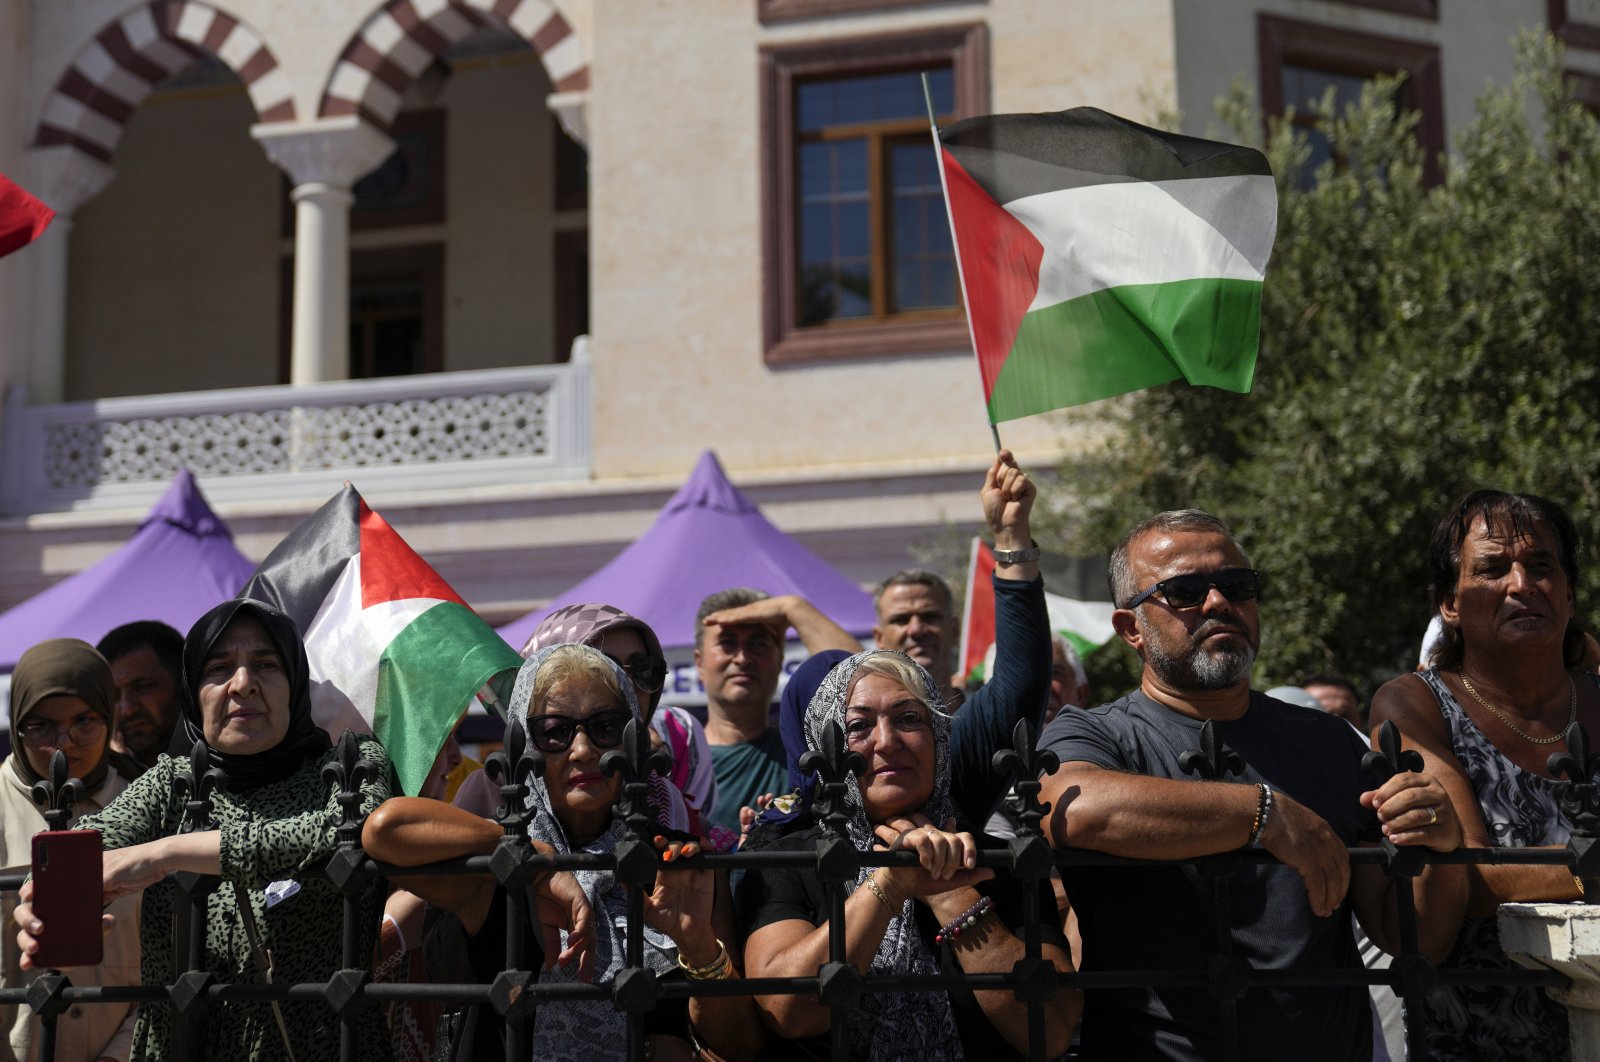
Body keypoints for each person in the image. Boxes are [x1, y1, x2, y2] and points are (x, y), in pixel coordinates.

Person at [1037, 509, 1465, 1061]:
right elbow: (1076, 808)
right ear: (1130, 630)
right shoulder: (1096, 732)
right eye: (1185, 591)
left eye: (1237, 585)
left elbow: (1412, 938)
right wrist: (1262, 813)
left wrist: (1437, 842)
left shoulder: (1329, 740)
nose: (1218, 603)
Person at [14, 599, 392, 1062]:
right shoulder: (171, 783)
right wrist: (39, 899)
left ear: (295, 682)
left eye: (266, 664)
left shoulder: (352, 767)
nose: (243, 684)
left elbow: (343, 835)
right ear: (193, 690)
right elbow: (91, 842)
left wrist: (167, 853)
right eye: (218, 668)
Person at [362, 644, 761, 1062]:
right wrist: (534, 860)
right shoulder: (501, 865)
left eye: (606, 726)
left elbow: (741, 1045)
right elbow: (385, 828)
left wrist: (699, 947)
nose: (584, 749)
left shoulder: (673, 862)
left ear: (631, 740)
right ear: (523, 747)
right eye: (555, 730)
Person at [740, 649, 1079, 1060]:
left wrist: (951, 897)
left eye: (909, 718)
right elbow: (788, 1012)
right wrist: (890, 881)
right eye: (859, 726)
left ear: (938, 737)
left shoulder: (1003, 858)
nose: (887, 741)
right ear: (823, 746)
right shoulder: (788, 858)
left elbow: (1051, 1031)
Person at [1370, 489, 1600, 1061]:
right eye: (1493, 569)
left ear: (1568, 593)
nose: (1522, 585)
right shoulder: (1414, 707)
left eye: (1541, 566)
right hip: (1484, 1036)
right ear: (1450, 602)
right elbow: (1464, 873)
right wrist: (1588, 867)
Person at [874, 449, 1052, 826]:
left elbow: (1021, 681)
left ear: (954, 628)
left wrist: (1010, 536)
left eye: (930, 616)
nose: (886, 742)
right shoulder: (836, 732)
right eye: (902, 619)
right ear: (878, 636)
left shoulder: (958, 747)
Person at [1, 640, 141, 1062]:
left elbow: (175, 962)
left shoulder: (145, 803)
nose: (64, 744)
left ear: (108, 714)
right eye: (41, 725)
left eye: (85, 721)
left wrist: (119, 1056)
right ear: (16, 723)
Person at [694, 591, 859, 833]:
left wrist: (793, 608)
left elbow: (862, 677)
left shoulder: (802, 751)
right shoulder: (677, 755)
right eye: (727, 642)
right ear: (699, 663)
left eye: (758, 643)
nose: (742, 657)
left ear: (780, 659)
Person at [95, 621, 184, 779]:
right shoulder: (100, 789)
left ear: (184, 683)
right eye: (113, 696)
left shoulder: (231, 765)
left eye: (141, 687)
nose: (128, 709)